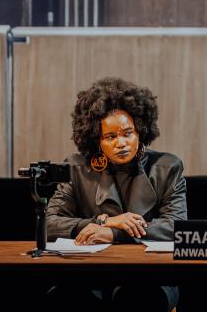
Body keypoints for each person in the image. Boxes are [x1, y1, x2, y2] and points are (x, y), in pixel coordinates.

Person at [45, 77, 187, 312]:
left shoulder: (167, 167)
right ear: (96, 140)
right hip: (91, 273)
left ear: (140, 131)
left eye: (127, 133)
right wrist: (104, 221)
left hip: (150, 275)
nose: (121, 143)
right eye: (110, 137)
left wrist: (115, 233)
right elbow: (49, 224)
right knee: (67, 296)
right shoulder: (77, 167)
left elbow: (177, 226)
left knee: (138, 298)